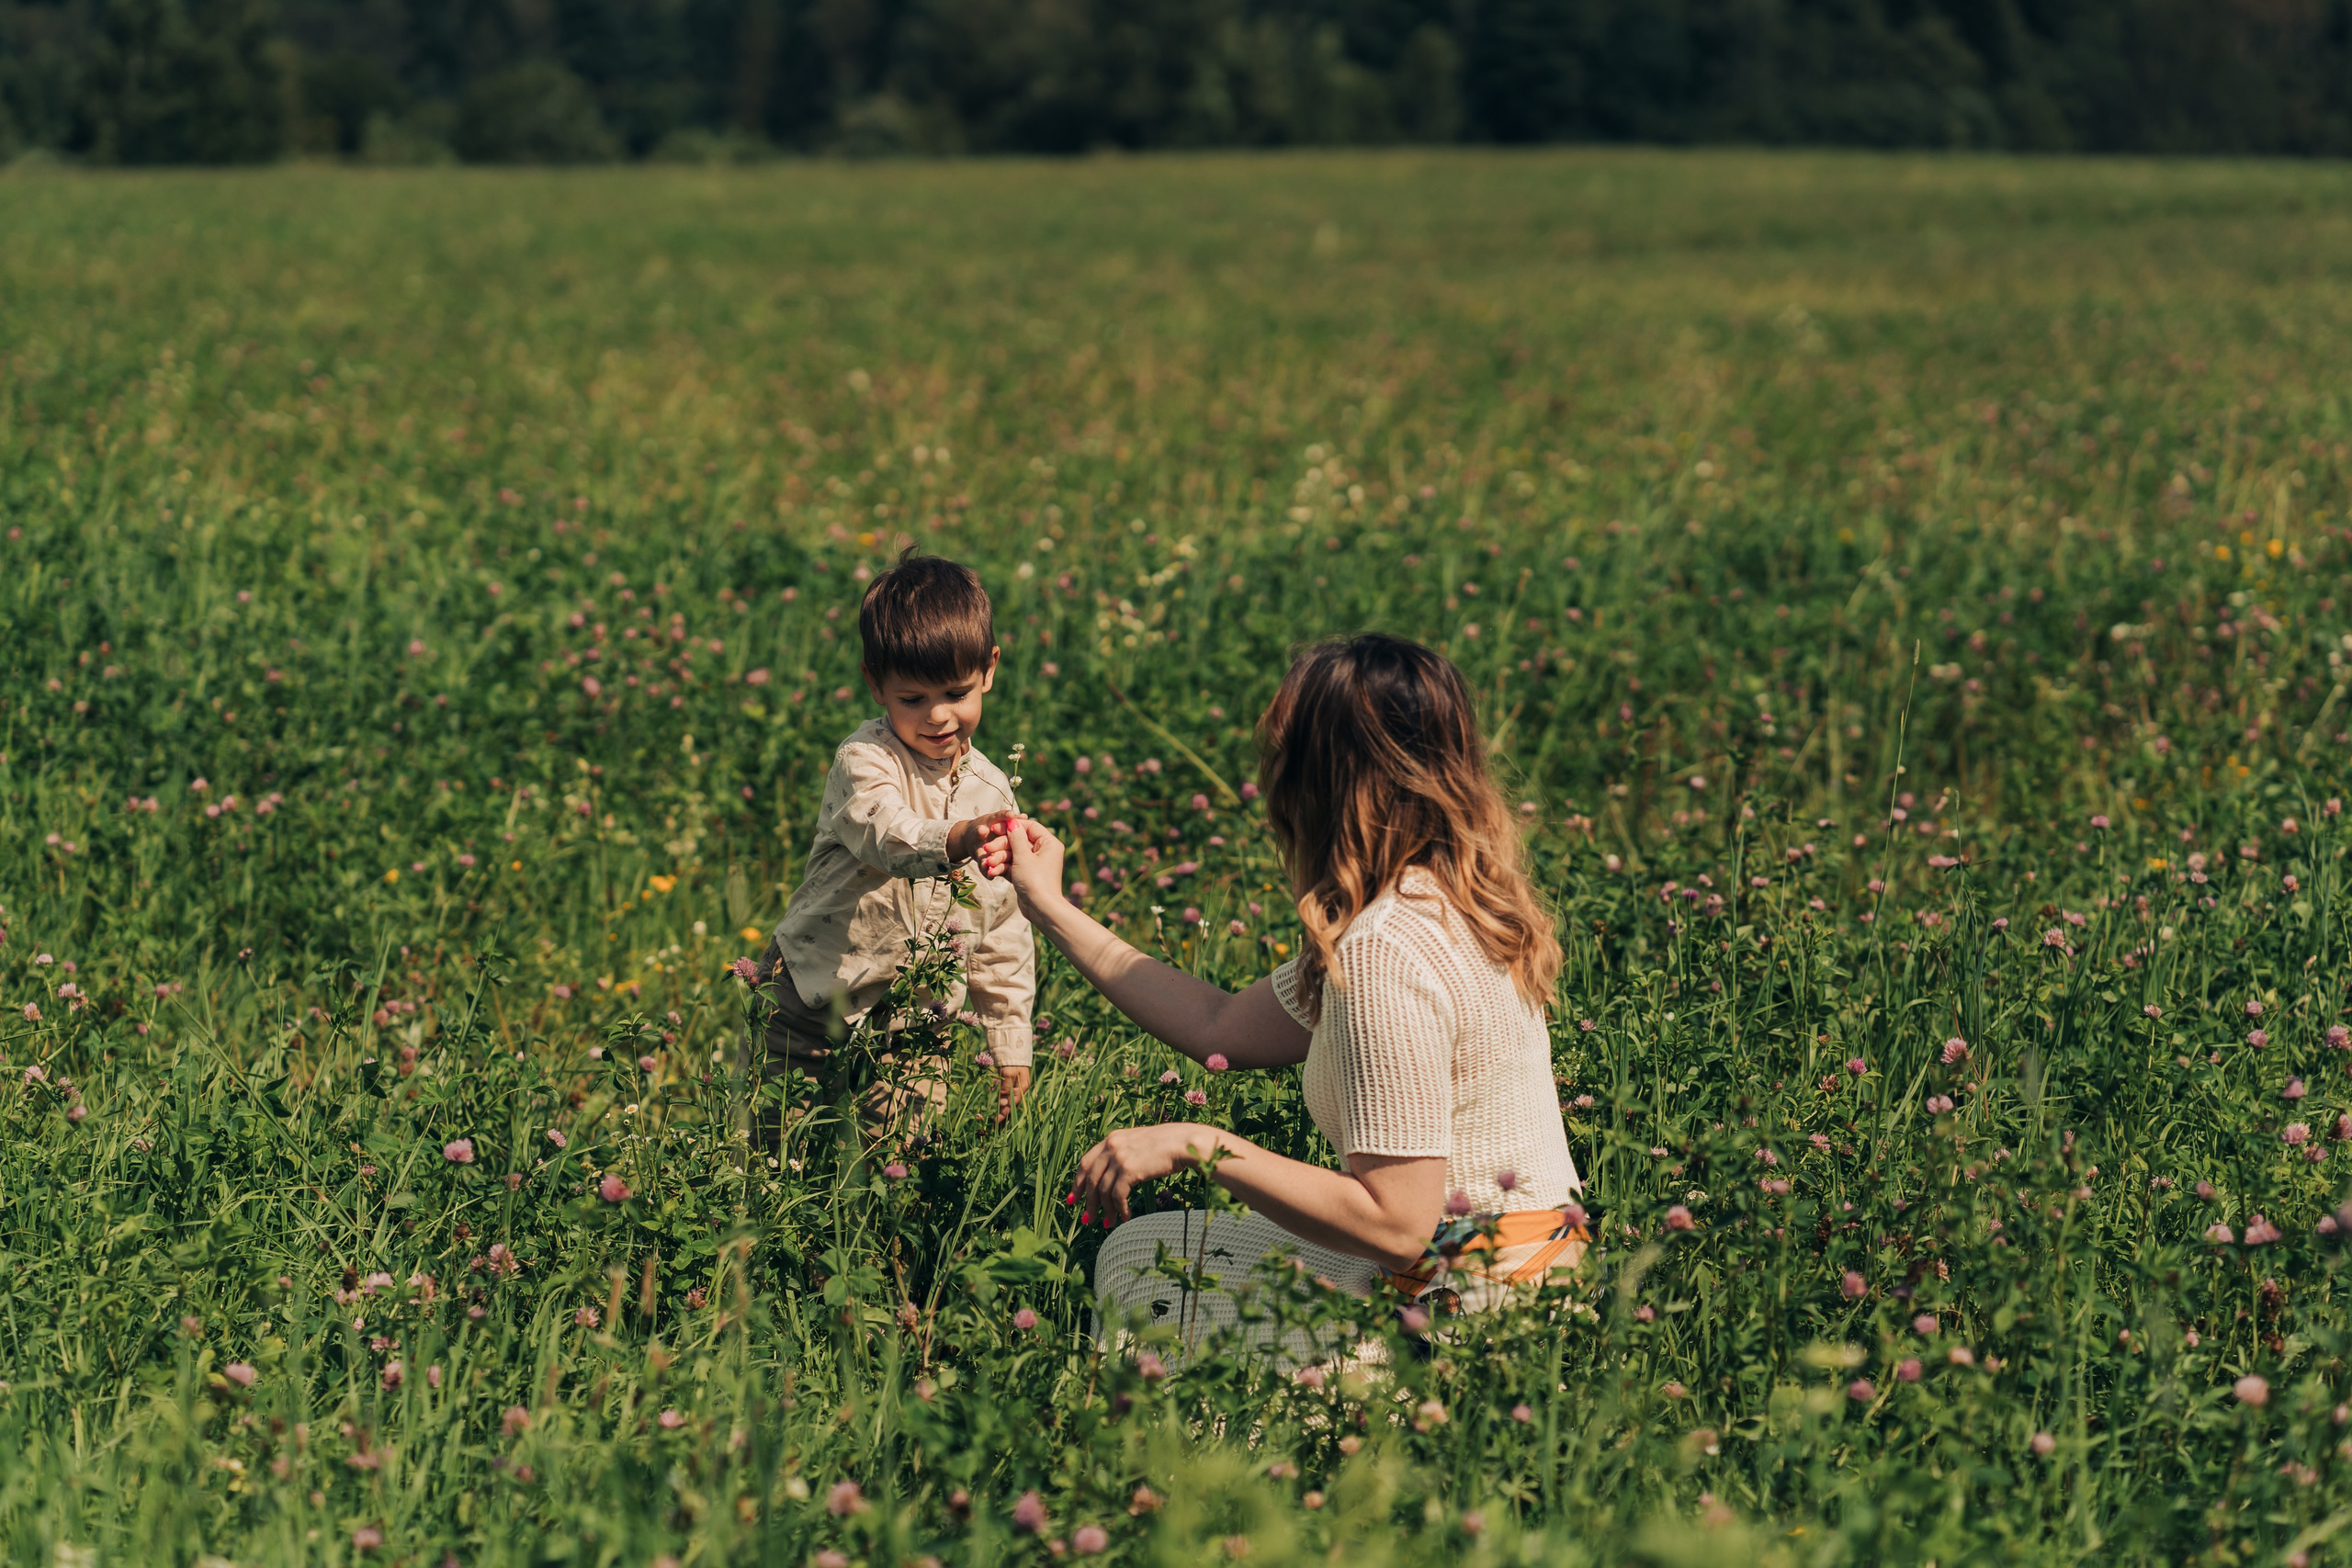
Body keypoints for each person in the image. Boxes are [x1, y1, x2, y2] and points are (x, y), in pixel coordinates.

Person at [1001, 632, 1585, 1348]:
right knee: (1144, 1256)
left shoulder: (1384, 950)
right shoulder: (1427, 902)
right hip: (1519, 1283)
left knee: (1149, 1280)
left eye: (1281, 755)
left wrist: (1200, 1143)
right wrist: (1050, 908)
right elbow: (1219, 1025)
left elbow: (1397, 1225)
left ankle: (1179, 1456)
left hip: (1470, 1314)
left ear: (1324, 780)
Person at [747, 553, 1032, 1145]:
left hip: (917, 1020)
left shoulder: (993, 792)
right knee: (780, 1146)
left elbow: (1001, 927)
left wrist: (1009, 1039)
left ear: (990, 669)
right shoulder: (866, 761)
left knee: (901, 1159)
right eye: (912, 698)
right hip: (812, 991)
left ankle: (884, 1237)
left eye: (957, 691)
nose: (938, 716)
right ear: (876, 683)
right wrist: (954, 839)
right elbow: (887, 834)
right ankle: (773, 1230)